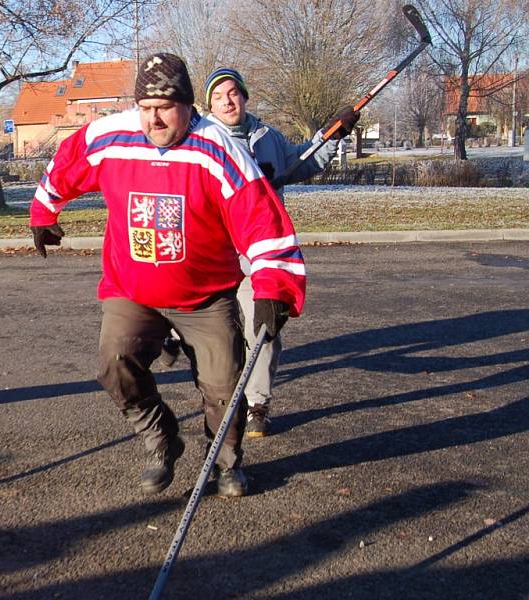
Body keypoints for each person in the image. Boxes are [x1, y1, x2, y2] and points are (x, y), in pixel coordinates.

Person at [29, 53, 306, 498]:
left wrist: (276, 285)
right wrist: (44, 209)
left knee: (223, 383)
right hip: (132, 288)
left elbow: (261, 219)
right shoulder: (112, 134)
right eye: (145, 107)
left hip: (205, 295)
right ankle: (162, 438)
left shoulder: (219, 148)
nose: (153, 119)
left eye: (164, 108)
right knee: (114, 363)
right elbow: (69, 160)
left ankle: (225, 462)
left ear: (188, 106)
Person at [161, 67, 358, 439]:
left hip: (256, 255)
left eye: (233, 93)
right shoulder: (199, 139)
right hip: (212, 253)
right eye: (218, 96)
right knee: (202, 324)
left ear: (245, 97)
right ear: (209, 105)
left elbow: (304, 161)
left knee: (262, 329)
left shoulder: (267, 137)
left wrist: (332, 135)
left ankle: (257, 405)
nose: (227, 101)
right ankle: (172, 335)